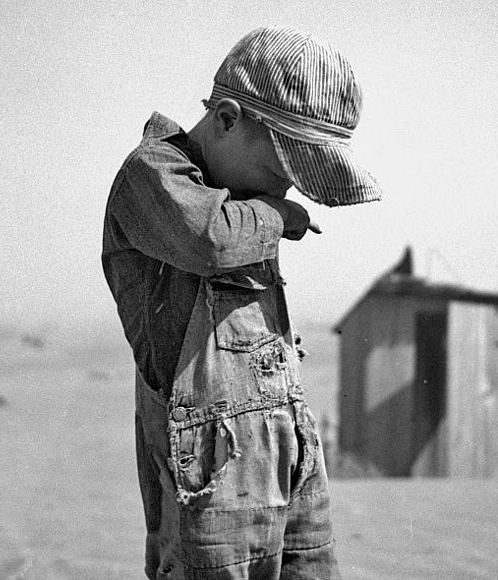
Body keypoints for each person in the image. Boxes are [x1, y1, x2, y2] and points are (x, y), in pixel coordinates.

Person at [101, 27, 381, 580]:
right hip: (210, 466)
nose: (287, 192)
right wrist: (281, 217)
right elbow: (210, 239)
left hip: (287, 442)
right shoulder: (151, 175)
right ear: (227, 119)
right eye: (282, 172)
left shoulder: (234, 194)